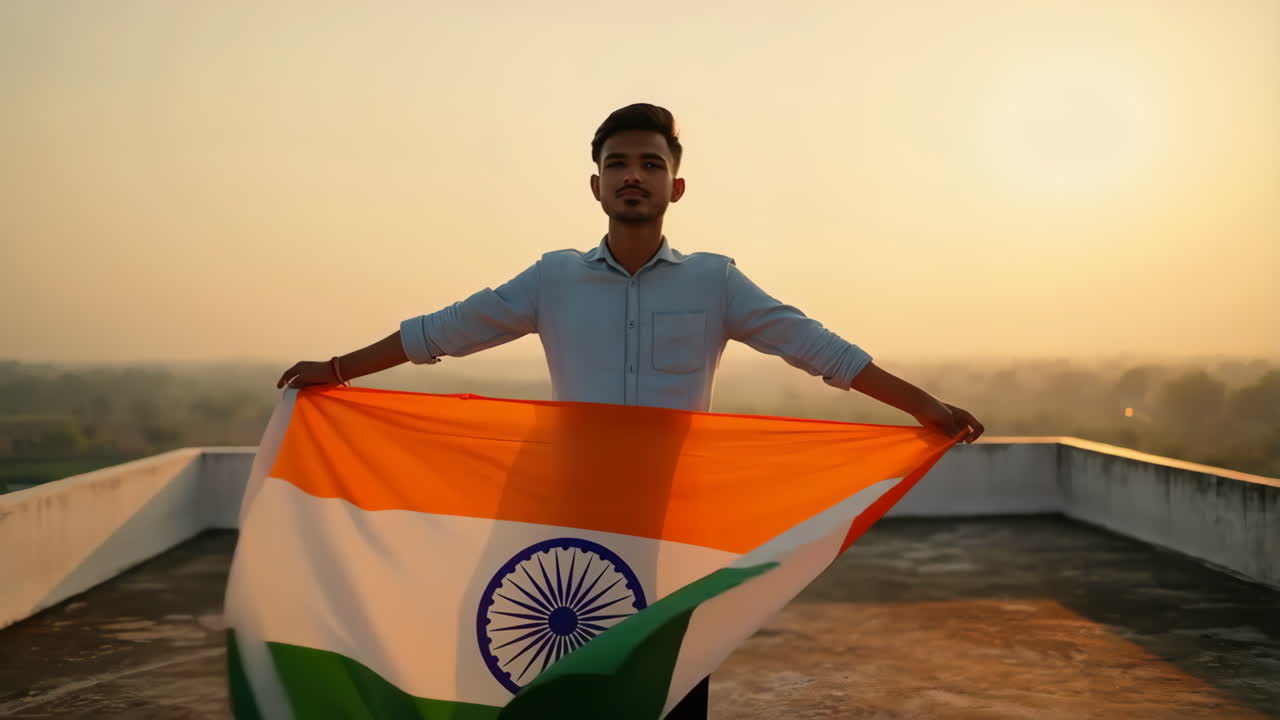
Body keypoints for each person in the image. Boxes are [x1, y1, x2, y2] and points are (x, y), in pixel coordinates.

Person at [276, 102, 984, 719]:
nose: (633, 176)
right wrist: (337, 371)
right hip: (561, 515)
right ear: (596, 185)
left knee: (669, 679)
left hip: (671, 521)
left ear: (676, 184)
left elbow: (819, 350)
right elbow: (443, 331)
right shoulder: (553, 279)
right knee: (547, 669)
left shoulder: (715, 282)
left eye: (649, 163)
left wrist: (924, 407)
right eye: (618, 164)